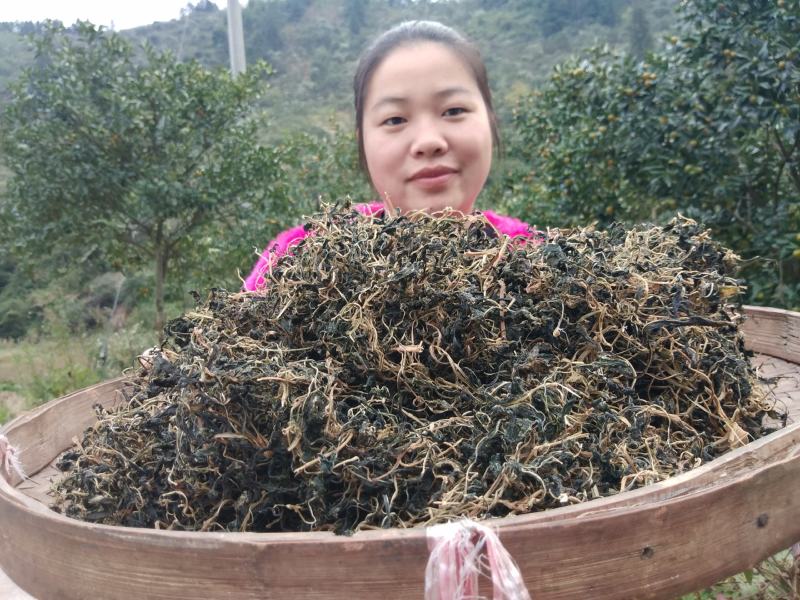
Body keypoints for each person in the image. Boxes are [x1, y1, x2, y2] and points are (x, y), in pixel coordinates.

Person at [243, 20, 536, 291]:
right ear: (363, 142)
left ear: (490, 121)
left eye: (454, 111)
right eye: (395, 120)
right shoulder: (294, 260)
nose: (428, 141)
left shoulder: (538, 262)